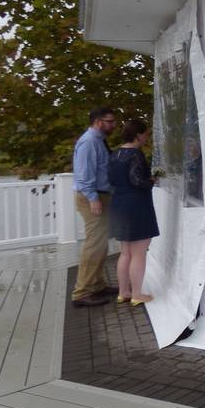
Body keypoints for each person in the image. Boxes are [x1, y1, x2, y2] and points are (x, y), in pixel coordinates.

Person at [108, 119, 160, 306]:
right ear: (138, 135)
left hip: (119, 204)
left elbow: (111, 180)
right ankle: (137, 294)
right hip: (136, 205)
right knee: (139, 253)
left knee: (125, 252)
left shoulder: (115, 154)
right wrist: (152, 180)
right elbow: (137, 180)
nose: (147, 137)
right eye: (145, 133)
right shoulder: (135, 154)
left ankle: (124, 292)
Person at [71, 107, 119, 307]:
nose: (113, 125)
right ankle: (82, 292)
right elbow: (83, 175)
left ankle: (97, 284)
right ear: (99, 122)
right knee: (93, 244)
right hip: (92, 196)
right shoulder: (89, 142)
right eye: (110, 121)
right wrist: (93, 198)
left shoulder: (98, 141)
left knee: (100, 243)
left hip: (100, 194)